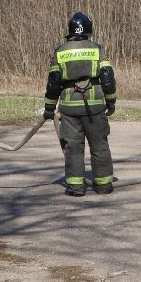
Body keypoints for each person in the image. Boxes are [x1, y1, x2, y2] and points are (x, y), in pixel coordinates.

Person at [42, 11, 117, 197]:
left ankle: (76, 187)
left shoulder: (60, 52)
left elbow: (53, 83)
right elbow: (107, 78)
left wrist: (49, 108)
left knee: (73, 147)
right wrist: (111, 100)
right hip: (95, 106)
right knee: (99, 145)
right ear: (88, 31)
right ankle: (104, 185)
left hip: (69, 108)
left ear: (70, 31)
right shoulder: (96, 49)